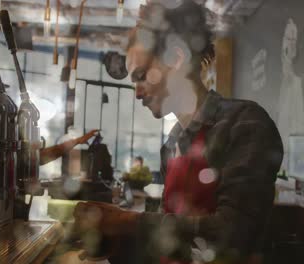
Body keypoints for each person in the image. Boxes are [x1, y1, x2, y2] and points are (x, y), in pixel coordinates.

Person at [73, 1, 283, 263]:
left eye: (141, 75)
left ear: (176, 58)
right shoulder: (172, 143)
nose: (136, 92)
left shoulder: (245, 124)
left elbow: (234, 236)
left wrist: (129, 221)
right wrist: (117, 245)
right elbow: (172, 243)